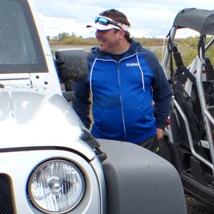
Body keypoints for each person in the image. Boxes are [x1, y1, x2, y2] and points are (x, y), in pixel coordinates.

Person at [72, 10, 172, 152]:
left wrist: (160, 124)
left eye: (103, 31)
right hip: (105, 142)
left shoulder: (146, 58)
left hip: (144, 140)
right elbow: (79, 100)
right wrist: (83, 131)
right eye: (97, 31)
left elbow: (164, 93)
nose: (97, 35)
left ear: (120, 33)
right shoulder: (90, 61)